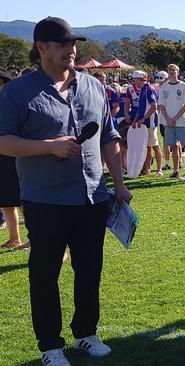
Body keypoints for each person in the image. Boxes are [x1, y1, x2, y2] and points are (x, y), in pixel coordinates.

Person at [0, 17, 132, 366]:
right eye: (62, 45)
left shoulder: (93, 86)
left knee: (90, 270)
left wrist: (119, 185)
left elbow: (109, 138)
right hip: (45, 200)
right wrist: (49, 146)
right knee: (45, 275)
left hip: (92, 196)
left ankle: (86, 333)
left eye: (72, 44)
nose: (70, 51)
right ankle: (50, 346)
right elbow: (4, 141)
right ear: (41, 48)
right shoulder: (17, 91)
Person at [0, 69, 24, 249]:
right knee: (6, 200)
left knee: (22, 200)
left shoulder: (13, 102)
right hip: (2, 156)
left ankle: (36, 237)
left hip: (15, 156)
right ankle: (14, 237)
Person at [124, 70, 162, 176]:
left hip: (150, 122)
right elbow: (140, 108)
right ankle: (147, 169)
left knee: (155, 145)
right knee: (147, 147)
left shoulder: (149, 89)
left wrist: (143, 118)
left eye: (135, 79)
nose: (134, 81)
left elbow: (154, 106)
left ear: (140, 78)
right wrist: (135, 120)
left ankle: (159, 170)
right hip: (143, 122)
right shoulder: (142, 90)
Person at [159, 64, 185, 179]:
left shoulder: (184, 86)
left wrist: (174, 119)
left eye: (174, 70)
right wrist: (168, 119)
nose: (172, 71)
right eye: (170, 70)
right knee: (173, 146)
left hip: (181, 121)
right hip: (168, 122)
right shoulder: (164, 87)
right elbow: (161, 105)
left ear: (178, 72)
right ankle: (176, 171)